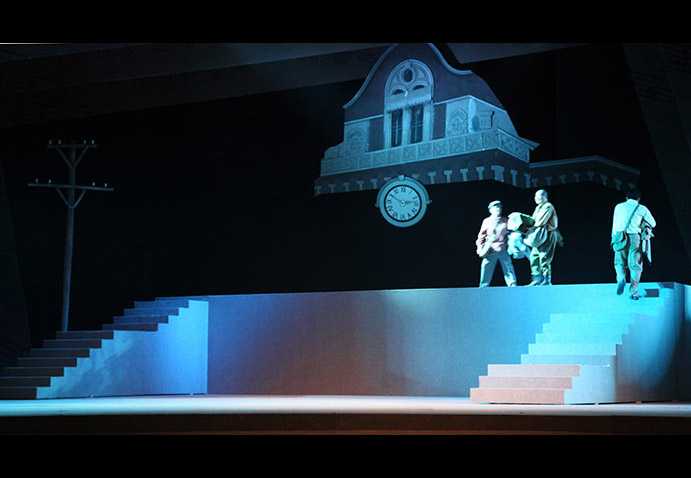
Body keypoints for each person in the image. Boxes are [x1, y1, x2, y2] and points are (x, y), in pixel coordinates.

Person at [611, 188, 656, 300]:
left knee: (619, 262)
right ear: (638, 198)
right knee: (635, 266)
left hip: (619, 236)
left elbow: (614, 224)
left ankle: (621, 279)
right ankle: (633, 292)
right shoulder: (642, 208)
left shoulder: (618, 207)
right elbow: (653, 223)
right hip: (634, 238)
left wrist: (613, 238)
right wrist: (642, 223)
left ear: (626, 197)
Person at [476, 200, 517, 288]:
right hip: (490, 249)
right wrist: (480, 247)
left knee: (508, 268)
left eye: (499, 207)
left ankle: (513, 287)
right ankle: (483, 288)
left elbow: (512, 233)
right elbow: (481, 236)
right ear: (490, 210)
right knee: (486, 269)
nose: (498, 209)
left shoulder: (505, 220)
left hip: (503, 249)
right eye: (495, 207)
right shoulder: (486, 221)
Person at [526, 189, 561, 286]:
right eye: (535, 196)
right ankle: (537, 279)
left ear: (545, 197)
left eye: (539, 196)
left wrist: (528, 226)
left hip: (547, 234)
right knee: (534, 256)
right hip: (538, 235)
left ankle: (546, 280)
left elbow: (540, 221)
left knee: (544, 257)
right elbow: (533, 220)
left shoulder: (548, 206)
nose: (536, 198)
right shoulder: (538, 207)